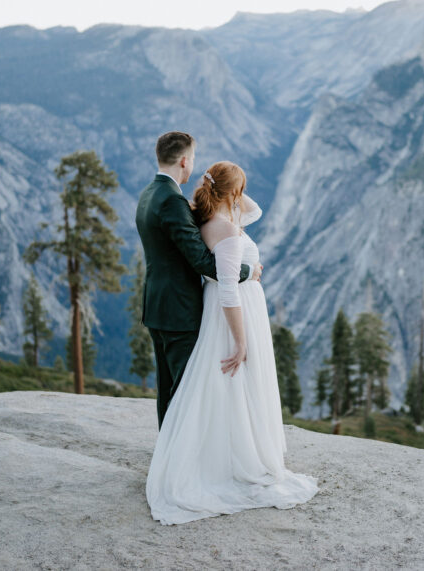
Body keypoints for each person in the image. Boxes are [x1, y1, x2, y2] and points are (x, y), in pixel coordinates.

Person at [145, 160, 319, 525]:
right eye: (240, 190)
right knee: (234, 385)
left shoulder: (216, 219)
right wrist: (240, 342)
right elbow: (228, 292)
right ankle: (228, 462)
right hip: (233, 317)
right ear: (233, 193)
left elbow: (253, 210)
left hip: (234, 302)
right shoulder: (223, 229)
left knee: (231, 391)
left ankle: (225, 453)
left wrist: (229, 189)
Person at [135, 131, 258, 428]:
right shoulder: (172, 202)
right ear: (184, 161)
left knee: (168, 388)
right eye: (193, 160)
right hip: (180, 309)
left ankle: (168, 453)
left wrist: (229, 186)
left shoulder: (149, 193)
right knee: (186, 389)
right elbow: (203, 262)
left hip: (157, 305)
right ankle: (180, 464)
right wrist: (248, 271)